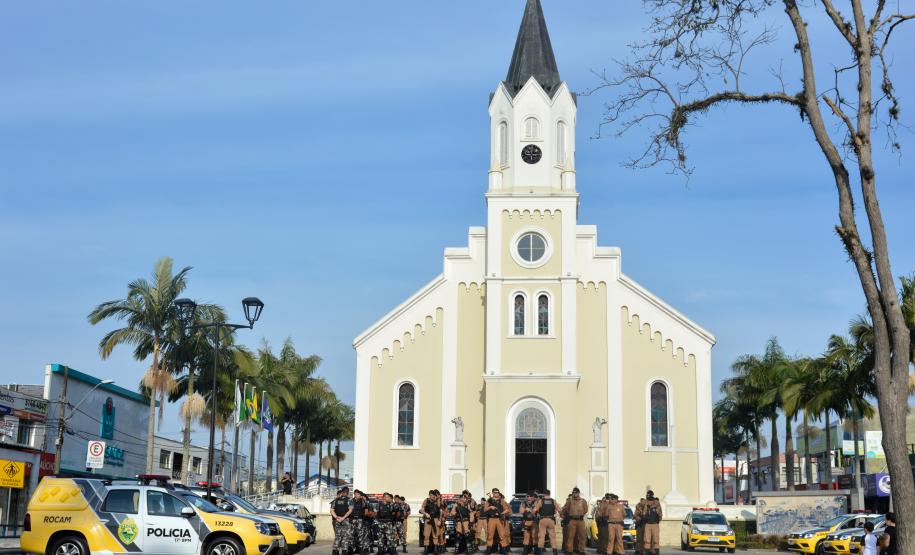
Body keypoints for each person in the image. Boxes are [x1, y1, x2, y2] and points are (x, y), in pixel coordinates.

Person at [560, 487, 588, 555]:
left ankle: (581, 550)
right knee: (570, 536)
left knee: (582, 536)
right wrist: (571, 514)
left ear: (578, 493)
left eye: (576, 492)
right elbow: (566, 509)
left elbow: (586, 510)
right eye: (573, 492)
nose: (574, 494)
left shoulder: (583, 501)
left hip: (580, 520)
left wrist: (580, 514)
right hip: (572, 520)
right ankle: (570, 550)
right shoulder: (570, 500)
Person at [484, 488, 511, 555]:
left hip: (499, 519)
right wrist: (490, 507)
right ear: (492, 493)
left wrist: (501, 513)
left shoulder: (501, 500)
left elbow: (507, 509)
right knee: (490, 535)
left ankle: (504, 549)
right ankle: (488, 550)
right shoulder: (489, 500)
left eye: (498, 492)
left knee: (502, 535)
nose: (496, 493)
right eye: (495, 492)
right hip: (491, 519)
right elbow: (485, 509)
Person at [634, 491, 662, 555]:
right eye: (648, 495)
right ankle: (642, 551)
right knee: (644, 539)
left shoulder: (656, 503)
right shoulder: (644, 502)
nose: (649, 496)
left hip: (653, 523)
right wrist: (640, 518)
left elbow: (660, 514)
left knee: (654, 539)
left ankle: (653, 551)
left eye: (649, 495)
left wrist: (657, 521)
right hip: (645, 523)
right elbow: (637, 508)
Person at [332, 487, 354, 555]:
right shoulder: (349, 500)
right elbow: (350, 510)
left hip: (337, 520)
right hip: (346, 520)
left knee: (337, 536)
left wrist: (336, 517)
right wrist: (343, 518)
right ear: (347, 492)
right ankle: (344, 552)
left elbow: (331, 510)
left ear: (342, 492)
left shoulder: (336, 500)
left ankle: (335, 551)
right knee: (345, 536)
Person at [535, 489, 558, 555]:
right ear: (549, 494)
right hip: (551, 520)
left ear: (544, 494)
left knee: (542, 536)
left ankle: (540, 552)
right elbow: (559, 509)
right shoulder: (553, 501)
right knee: (552, 536)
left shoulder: (541, 501)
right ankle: (555, 551)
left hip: (543, 520)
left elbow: (535, 509)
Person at [422, 490, 444, 555]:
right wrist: (425, 513)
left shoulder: (437, 501)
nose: (432, 496)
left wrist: (440, 520)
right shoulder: (426, 500)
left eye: (433, 495)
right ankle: (426, 549)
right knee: (426, 535)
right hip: (428, 519)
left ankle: (435, 549)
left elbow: (440, 511)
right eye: (431, 495)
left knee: (435, 534)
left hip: (436, 519)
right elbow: (422, 509)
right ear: (429, 495)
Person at [352, 490, 372, 555]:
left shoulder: (366, 503)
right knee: (355, 535)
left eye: (363, 496)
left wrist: (366, 515)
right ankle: (356, 548)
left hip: (365, 521)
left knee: (364, 536)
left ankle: (365, 549)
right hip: (358, 520)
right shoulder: (352, 501)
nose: (362, 497)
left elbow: (370, 512)